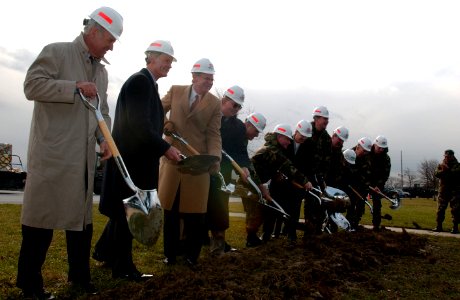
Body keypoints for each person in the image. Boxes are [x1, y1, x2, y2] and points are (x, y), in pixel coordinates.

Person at [17, 7, 123, 298]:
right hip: (53, 155)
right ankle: (29, 284)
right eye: (111, 39)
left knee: (81, 223)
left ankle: (80, 278)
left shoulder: (101, 72)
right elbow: (32, 85)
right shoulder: (57, 52)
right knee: (41, 222)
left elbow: (102, 111)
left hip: (83, 161)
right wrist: (74, 87)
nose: (112, 45)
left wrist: (104, 139)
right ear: (95, 32)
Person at [93, 41, 181, 280]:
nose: (169, 65)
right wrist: (166, 148)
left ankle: (105, 252)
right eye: (166, 60)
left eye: (171, 61)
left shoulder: (147, 84)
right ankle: (123, 269)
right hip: (132, 163)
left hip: (136, 161)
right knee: (128, 215)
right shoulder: (140, 82)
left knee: (123, 214)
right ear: (151, 58)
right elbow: (139, 125)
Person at [159, 58, 222, 266]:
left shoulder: (214, 103)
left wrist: (214, 157)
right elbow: (156, 109)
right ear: (194, 77)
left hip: (198, 164)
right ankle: (170, 254)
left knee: (196, 213)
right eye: (206, 78)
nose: (209, 83)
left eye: (212, 79)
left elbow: (214, 134)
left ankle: (191, 256)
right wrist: (166, 123)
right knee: (170, 211)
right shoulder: (176, 91)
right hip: (172, 160)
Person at [245, 124, 312, 246]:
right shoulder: (272, 150)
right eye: (287, 140)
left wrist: (275, 173)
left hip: (257, 183)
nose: (288, 143)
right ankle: (252, 240)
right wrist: (305, 181)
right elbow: (286, 165)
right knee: (256, 214)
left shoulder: (274, 148)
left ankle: (253, 239)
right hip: (250, 183)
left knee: (261, 212)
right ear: (280, 137)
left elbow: (273, 165)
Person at [206, 85, 247, 255]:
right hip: (203, 168)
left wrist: (244, 166)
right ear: (224, 100)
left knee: (220, 209)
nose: (236, 109)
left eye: (239, 107)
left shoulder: (239, 127)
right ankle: (190, 242)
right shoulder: (209, 115)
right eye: (234, 105)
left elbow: (241, 150)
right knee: (198, 207)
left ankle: (218, 246)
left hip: (223, 172)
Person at [268, 120, 313, 243]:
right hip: (279, 183)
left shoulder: (308, 147)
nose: (303, 138)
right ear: (296, 131)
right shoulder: (286, 142)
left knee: (294, 210)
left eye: (306, 136)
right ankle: (270, 234)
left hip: (296, 185)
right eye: (301, 135)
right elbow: (277, 161)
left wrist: (305, 181)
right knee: (274, 209)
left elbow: (308, 167)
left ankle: (291, 234)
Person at [301, 106, 332, 235]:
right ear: (316, 118)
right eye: (324, 118)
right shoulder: (306, 129)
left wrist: (322, 178)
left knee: (319, 201)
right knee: (306, 202)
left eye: (327, 119)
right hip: (302, 172)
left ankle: (316, 230)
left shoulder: (326, 138)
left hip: (317, 175)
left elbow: (327, 160)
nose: (326, 121)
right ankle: (307, 231)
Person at [346, 137, 373, 230]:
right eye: (364, 151)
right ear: (358, 147)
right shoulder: (348, 154)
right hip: (349, 186)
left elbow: (368, 175)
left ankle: (355, 224)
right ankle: (348, 225)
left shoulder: (367, 159)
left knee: (360, 207)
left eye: (367, 152)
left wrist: (365, 189)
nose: (365, 153)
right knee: (350, 206)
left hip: (361, 187)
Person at [433, 149, 460, 233]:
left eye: (448, 156)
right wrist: (445, 171)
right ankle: (439, 226)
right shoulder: (441, 165)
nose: (447, 158)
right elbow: (437, 173)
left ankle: (455, 227)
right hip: (443, 191)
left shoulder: (457, 165)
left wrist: (446, 171)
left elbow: (455, 174)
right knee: (440, 209)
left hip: (454, 191)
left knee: (455, 210)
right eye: (445, 156)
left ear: (452, 156)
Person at [368, 135, 391, 231]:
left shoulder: (386, 158)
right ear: (374, 145)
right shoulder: (367, 151)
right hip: (364, 180)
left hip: (377, 183)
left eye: (383, 148)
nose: (381, 150)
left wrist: (378, 186)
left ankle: (376, 225)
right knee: (359, 200)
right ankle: (353, 222)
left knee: (377, 203)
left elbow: (385, 174)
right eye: (379, 147)